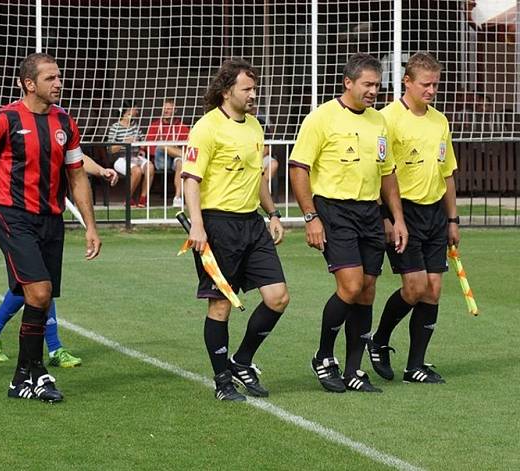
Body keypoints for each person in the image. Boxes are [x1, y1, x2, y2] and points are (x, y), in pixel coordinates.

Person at [0, 52, 101, 403]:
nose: (59, 83)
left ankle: (27, 377)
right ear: (30, 84)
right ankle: (31, 373)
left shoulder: (64, 122)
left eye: (59, 77)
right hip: (14, 217)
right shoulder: (5, 120)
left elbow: (76, 174)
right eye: (51, 78)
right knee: (39, 293)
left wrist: (91, 225)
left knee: (39, 300)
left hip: (51, 221)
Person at [289, 53, 408, 394]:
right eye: (367, 84)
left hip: (369, 212)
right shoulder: (321, 118)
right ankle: (324, 357)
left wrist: (396, 218)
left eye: (377, 84)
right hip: (333, 210)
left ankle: (354, 370)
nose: (374, 90)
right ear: (349, 83)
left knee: (368, 288)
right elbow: (299, 167)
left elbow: (388, 174)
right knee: (352, 285)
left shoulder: (379, 122)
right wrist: (311, 217)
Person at [183, 59, 290, 401]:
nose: (253, 94)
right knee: (220, 307)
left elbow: (257, 177)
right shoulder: (206, 127)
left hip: (252, 225)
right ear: (227, 91)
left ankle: (242, 360)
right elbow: (191, 180)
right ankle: (222, 382)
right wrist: (197, 225)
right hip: (218, 226)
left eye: (254, 88)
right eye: (247, 89)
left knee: (278, 297)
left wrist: (272, 213)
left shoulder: (255, 127)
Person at [368, 52, 459, 384]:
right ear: (407, 81)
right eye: (426, 84)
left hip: (435, 214)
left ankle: (415, 365)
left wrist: (453, 220)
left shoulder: (440, 121)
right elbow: (379, 172)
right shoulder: (386, 119)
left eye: (436, 84)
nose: (432, 90)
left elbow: (447, 172)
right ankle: (379, 339)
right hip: (402, 213)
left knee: (433, 290)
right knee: (415, 286)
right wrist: (387, 217)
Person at [0, 155, 117, 367]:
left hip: (48, 218)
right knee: (38, 286)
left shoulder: (59, 124)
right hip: (17, 217)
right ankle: (50, 351)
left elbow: (73, 156)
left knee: (40, 285)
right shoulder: (4, 123)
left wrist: (99, 170)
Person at [107, 101, 153, 208]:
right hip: (121, 158)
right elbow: (110, 149)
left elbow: (143, 141)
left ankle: (143, 198)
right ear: (128, 111)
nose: (137, 111)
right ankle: (128, 199)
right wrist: (125, 142)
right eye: (135, 109)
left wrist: (141, 147)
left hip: (136, 157)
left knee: (150, 167)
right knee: (136, 170)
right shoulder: (115, 127)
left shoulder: (135, 126)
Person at [145, 98, 190, 207]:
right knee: (163, 145)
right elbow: (147, 147)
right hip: (161, 160)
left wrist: (174, 149)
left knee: (181, 162)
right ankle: (186, 156)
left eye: (169, 109)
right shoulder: (155, 125)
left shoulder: (181, 127)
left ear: (175, 111)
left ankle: (177, 197)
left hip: (175, 159)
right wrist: (168, 147)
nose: (166, 111)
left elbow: (188, 145)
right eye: (164, 108)